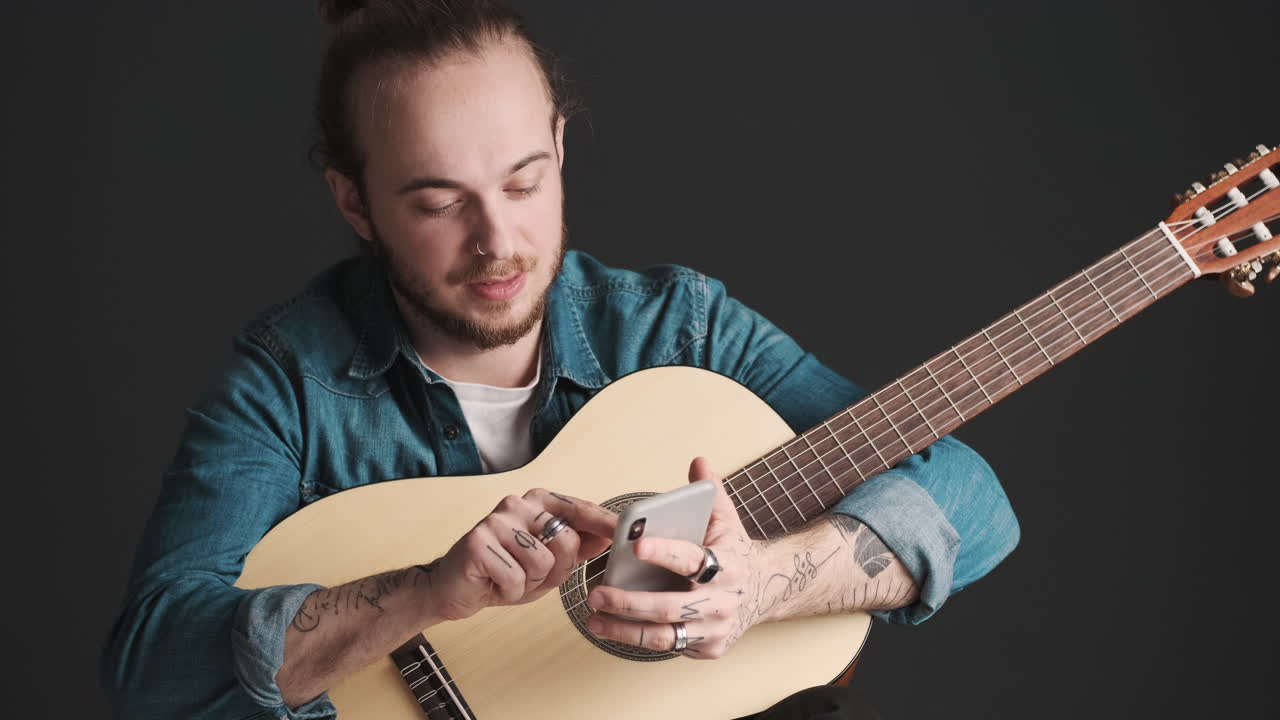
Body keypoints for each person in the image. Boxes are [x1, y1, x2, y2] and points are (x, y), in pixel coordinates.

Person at [100, 1, 1020, 718]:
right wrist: (421, 594)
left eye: (524, 181)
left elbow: (968, 499)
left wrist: (758, 590)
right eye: (436, 202)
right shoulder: (287, 381)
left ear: (562, 148)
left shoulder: (678, 329)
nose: (496, 240)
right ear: (355, 203)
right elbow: (153, 670)